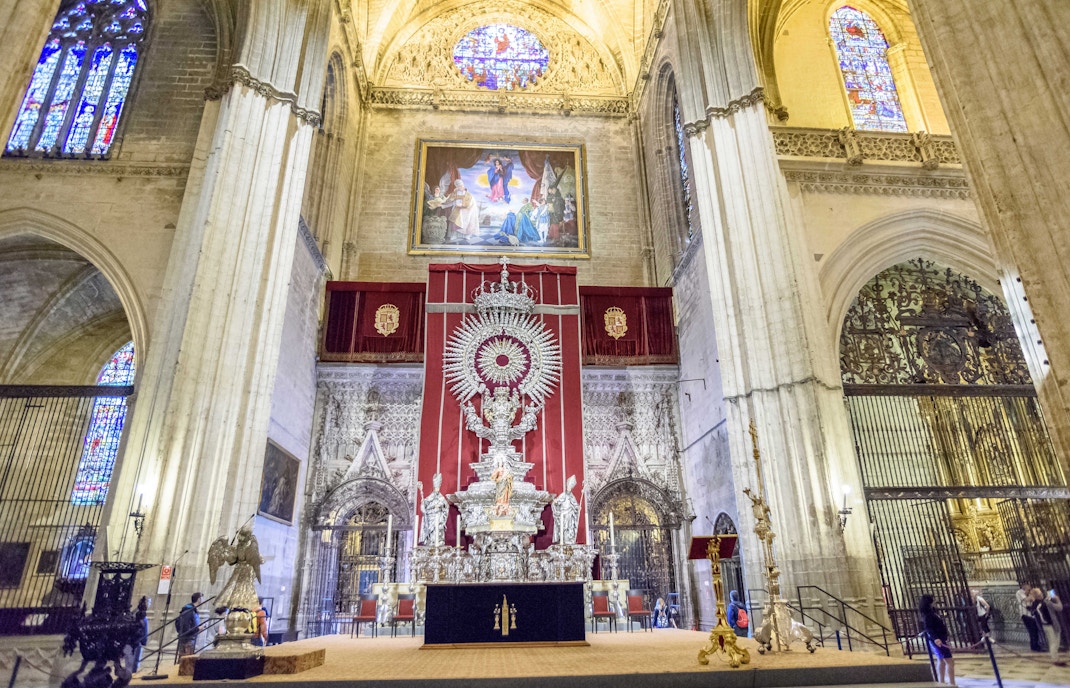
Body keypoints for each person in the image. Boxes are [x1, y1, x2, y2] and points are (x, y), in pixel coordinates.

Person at [919, 594, 955, 685]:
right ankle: (952, 683)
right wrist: (936, 638)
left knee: (941, 661)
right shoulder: (928, 615)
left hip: (940, 638)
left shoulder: (932, 612)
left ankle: (942, 681)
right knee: (949, 661)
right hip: (938, 640)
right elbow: (929, 628)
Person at [419, 473, 449, 546]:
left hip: (439, 517)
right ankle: (430, 541)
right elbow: (424, 506)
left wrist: (440, 506)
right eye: (436, 488)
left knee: (438, 529)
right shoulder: (430, 497)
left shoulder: (441, 498)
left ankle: (438, 541)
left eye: (438, 488)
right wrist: (424, 504)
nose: (437, 490)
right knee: (431, 531)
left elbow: (446, 506)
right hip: (431, 517)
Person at [551, 475, 580, 545]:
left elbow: (575, 504)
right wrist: (555, 502)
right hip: (563, 514)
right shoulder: (563, 495)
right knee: (564, 527)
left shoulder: (572, 497)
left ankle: (569, 539)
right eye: (568, 487)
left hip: (570, 513)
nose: (569, 489)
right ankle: (563, 539)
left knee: (570, 526)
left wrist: (578, 507)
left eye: (570, 487)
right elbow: (557, 502)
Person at [1031, 587, 1060, 658]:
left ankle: (1055, 656)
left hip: (1044, 625)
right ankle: (1055, 658)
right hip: (1048, 624)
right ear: (1037, 596)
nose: (1041, 594)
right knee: (1054, 641)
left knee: (1053, 640)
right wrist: (1054, 600)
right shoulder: (1042, 603)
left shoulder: (1035, 604)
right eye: (1040, 593)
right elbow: (1057, 608)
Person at [1018, 581, 1043, 651]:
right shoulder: (1019, 592)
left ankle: (1035, 645)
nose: (1030, 589)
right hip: (1025, 614)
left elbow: (1034, 600)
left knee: (1035, 630)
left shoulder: (1029, 593)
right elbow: (1026, 600)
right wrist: (1032, 594)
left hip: (1031, 614)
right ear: (1025, 586)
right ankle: (1034, 646)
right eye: (1029, 588)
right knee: (1032, 630)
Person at [176, 592, 203, 657]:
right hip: (187, 640)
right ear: (199, 599)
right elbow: (186, 627)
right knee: (186, 660)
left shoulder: (192, 610)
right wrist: (198, 628)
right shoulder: (189, 610)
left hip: (190, 638)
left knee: (187, 660)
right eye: (202, 598)